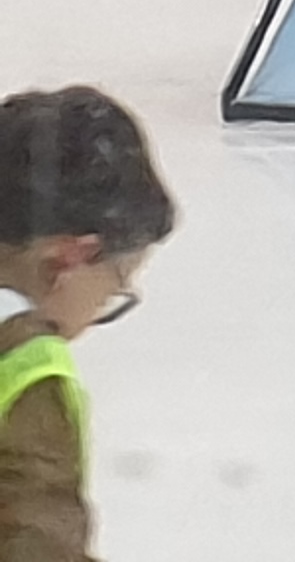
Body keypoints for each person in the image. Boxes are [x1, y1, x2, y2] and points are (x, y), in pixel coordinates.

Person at [0, 83, 176, 562]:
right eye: (116, 286)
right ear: (67, 260)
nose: (102, 308)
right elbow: (36, 543)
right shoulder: (27, 373)